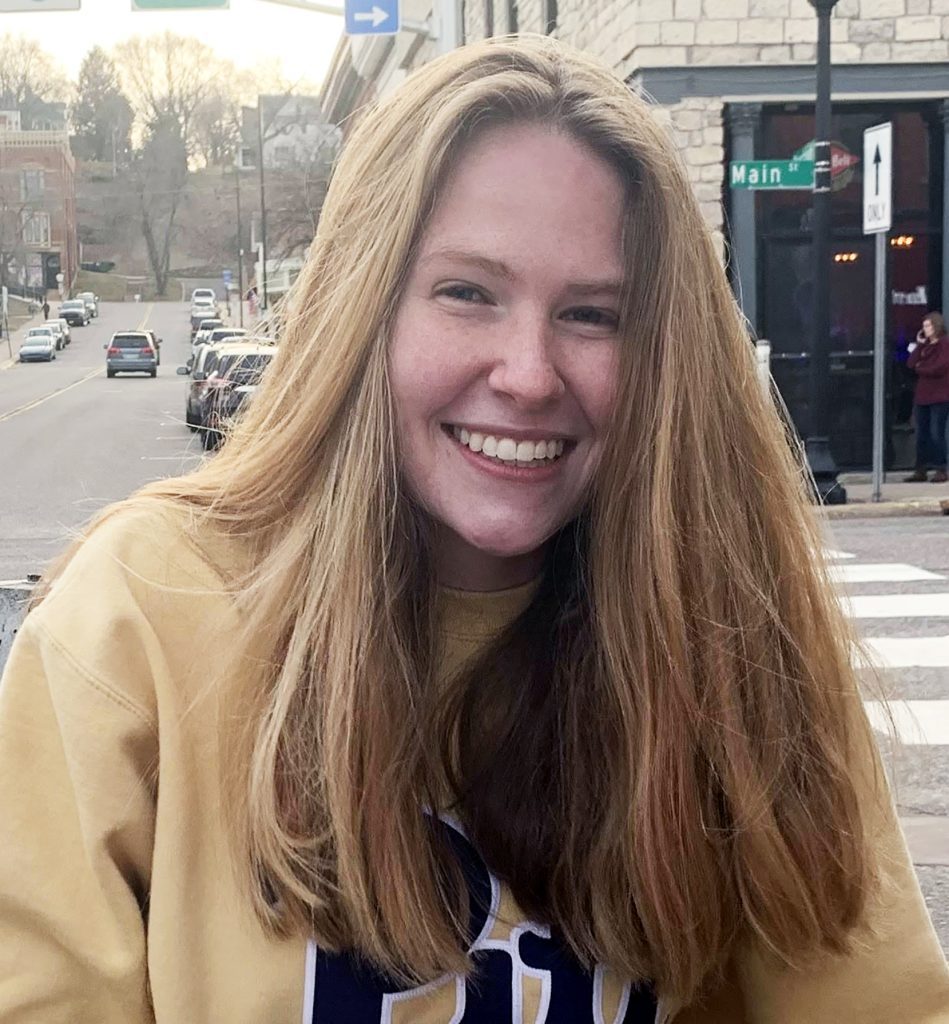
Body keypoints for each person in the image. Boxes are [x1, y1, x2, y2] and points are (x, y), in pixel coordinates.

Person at [0, 36, 947, 1024]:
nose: (528, 373)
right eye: (467, 293)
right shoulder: (139, 619)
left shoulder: (737, 630)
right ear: (362, 307)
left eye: (592, 314)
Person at [904, 311, 949, 483]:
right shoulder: (926, 347)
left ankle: (940, 469)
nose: (925, 329)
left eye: (928, 325)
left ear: (936, 326)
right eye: (924, 326)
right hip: (923, 396)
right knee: (922, 433)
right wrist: (920, 345)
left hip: (940, 396)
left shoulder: (944, 344)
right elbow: (910, 363)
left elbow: (939, 367)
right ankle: (920, 469)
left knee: (936, 432)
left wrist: (921, 368)